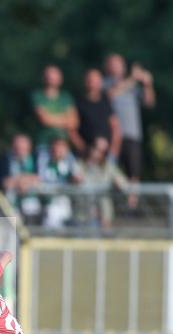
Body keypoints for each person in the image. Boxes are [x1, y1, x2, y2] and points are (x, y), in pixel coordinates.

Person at [103, 54, 155, 186]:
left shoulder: (133, 86)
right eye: (113, 64)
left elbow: (149, 102)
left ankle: (132, 199)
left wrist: (148, 84)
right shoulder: (105, 83)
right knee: (109, 172)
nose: (116, 67)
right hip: (113, 136)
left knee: (133, 174)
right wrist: (133, 78)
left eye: (118, 64)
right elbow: (111, 94)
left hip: (132, 134)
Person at [31, 64, 78, 164]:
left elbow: (74, 122)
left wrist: (51, 117)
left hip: (63, 146)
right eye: (49, 76)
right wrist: (64, 118)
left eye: (54, 76)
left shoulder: (66, 97)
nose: (52, 79)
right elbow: (44, 120)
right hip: (44, 145)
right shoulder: (38, 96)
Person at [77, 137, 127, 230]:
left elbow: (122, 182)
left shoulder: (108, 166)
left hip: (104, 216)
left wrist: (118, 183)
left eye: (102, 151)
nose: (97, 152)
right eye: (96, 148)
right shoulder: (80, 164)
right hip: (84, 215)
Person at [0, 133, 42, 226]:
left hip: (31, 205)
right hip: (10, 204)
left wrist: (20, 180)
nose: (20, 151)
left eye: (23, 148)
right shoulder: (5, 160)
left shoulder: (35, 159)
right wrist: (22, 180)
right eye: (17, 148)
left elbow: (37, 179)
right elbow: (3, 182)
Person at [71, 69, 120, 158]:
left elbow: (115, 127)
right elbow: (72, 129)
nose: (92, 84)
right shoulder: (78, 103)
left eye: (95, 81)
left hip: (106, 154)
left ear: (101, 82)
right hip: (86, 154)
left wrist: (113, 151)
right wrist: (83, 149)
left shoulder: (106, 102)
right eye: (90, 80)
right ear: (85, 82)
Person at [38, 136, 82, 229]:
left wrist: (75, 178)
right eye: (56, 148)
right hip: (49, 202)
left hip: (64, 201)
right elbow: (41, 177)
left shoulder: (69, 159)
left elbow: (78, 177)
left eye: (62, 148)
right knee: (52, 222)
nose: (59, 151)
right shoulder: (44, 159)